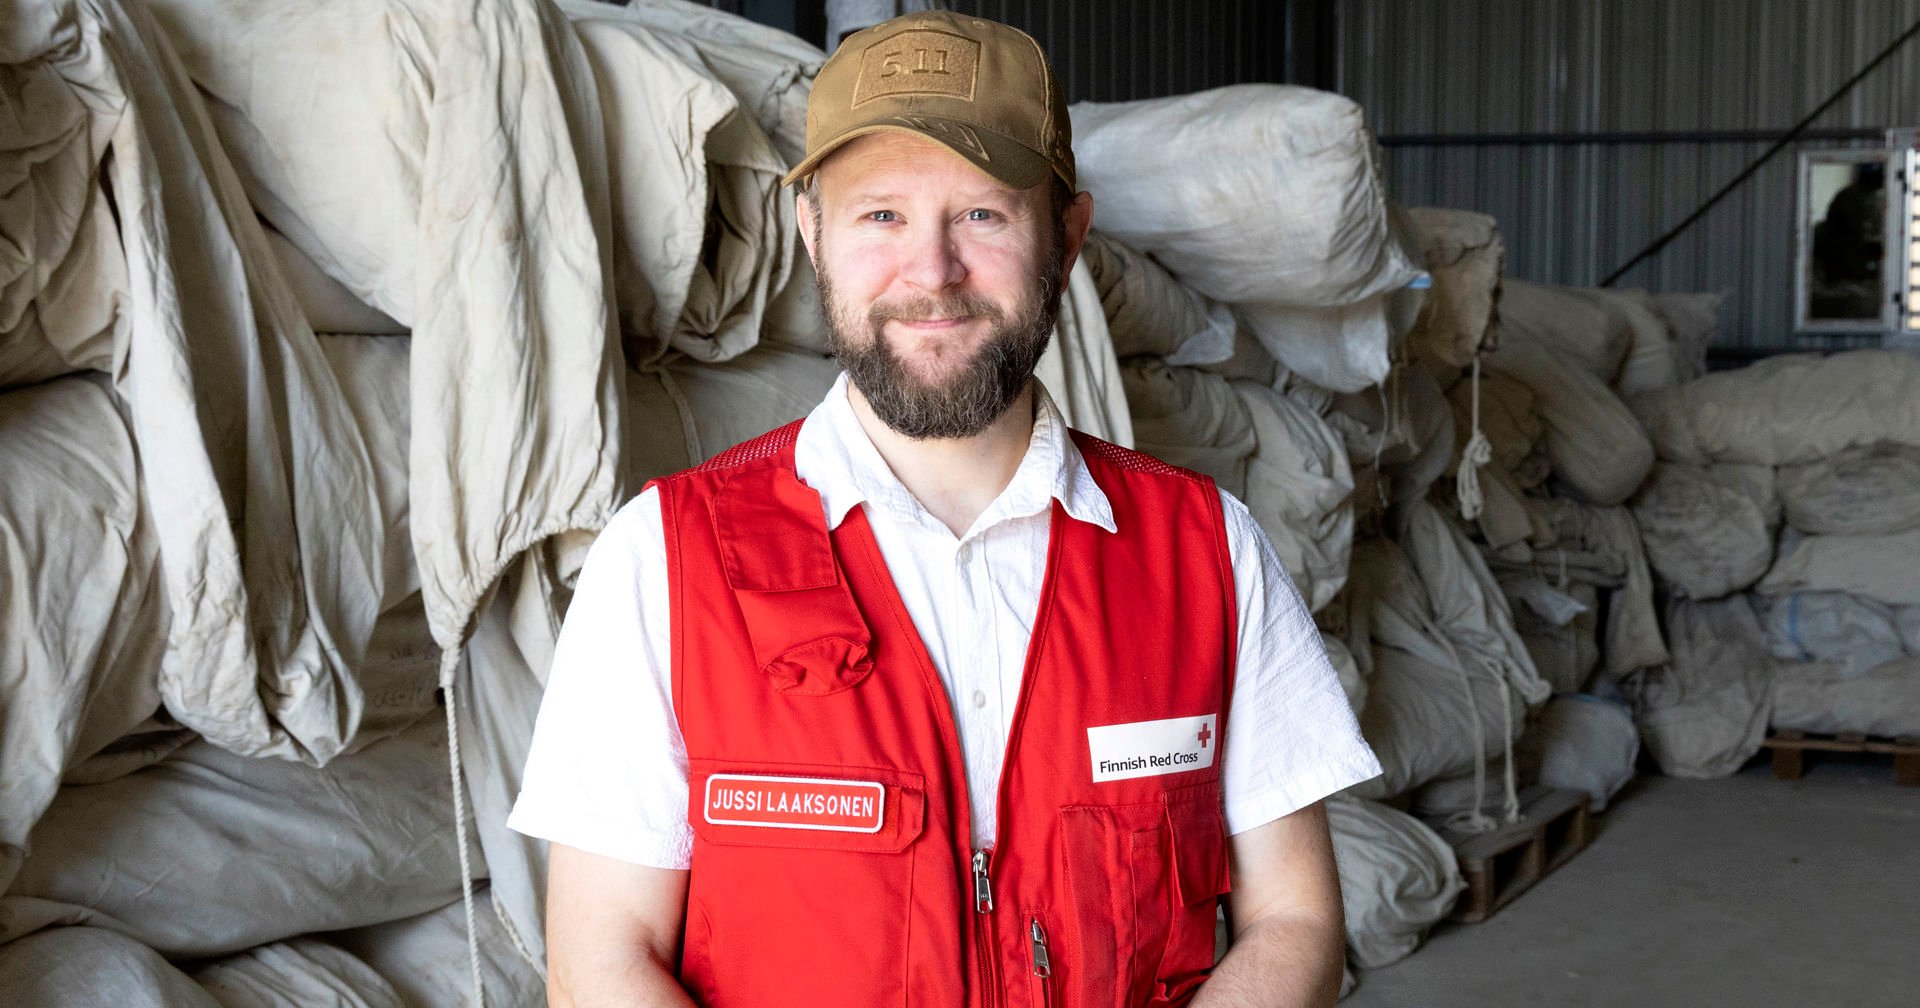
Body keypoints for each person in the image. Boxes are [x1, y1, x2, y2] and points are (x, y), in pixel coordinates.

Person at [509, 11, 1381, 1007]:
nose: (932, 274)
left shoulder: (1205, 552)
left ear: (1068, 238)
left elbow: (1295, 919)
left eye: (984, 216)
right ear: (813, 235)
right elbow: (601, 962)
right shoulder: (665, 561)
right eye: (881, 215)